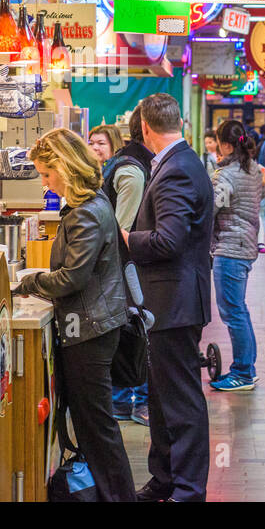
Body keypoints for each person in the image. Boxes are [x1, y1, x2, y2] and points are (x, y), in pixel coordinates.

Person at [14, 128, 135, 501]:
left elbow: (72, 278)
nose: (46, 183)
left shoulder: (85, 213)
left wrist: (29, 282)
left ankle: (118, 496)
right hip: (93, 326)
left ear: (65, 168)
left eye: (47, 175)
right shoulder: (92, 205)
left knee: (96, 426)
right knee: (93, 424)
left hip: (89, 331)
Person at [125, 93, 214, 502]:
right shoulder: (180, 162)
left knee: (180, 401)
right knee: (161, 397)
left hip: (174, 302)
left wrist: (126, 238)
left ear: (145, 127)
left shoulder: (176, 169)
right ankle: (164, 478)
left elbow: (169, 241)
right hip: (168, 302)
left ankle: (189, 488)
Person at [89, 123, 149, 424]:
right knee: (125, 328)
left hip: (128, 265)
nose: (95, 148)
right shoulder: (107, 172)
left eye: (101, 142)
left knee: (134, 329)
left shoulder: (125, 171)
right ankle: (123, 400)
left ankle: (139, 401)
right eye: (91, 143)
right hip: (120, 264)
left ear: (114, 143)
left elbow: (120, 226)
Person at [208, 119, 265, 392]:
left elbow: (209, 211)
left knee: (233, 312)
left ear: (226, 145)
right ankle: (247, 368)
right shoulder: (254, 170)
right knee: (239, 310)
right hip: (246, 246)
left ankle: (242, 372)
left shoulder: (226, 175)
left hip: (230, 248)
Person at [110, 106, 154, 422]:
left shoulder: (127, 163)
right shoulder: (134, 170)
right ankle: (136, 401)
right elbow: (121, 228)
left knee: (131, 327)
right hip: (129, 267)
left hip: (126, 267)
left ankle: (125, 400)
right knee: (137, 329)